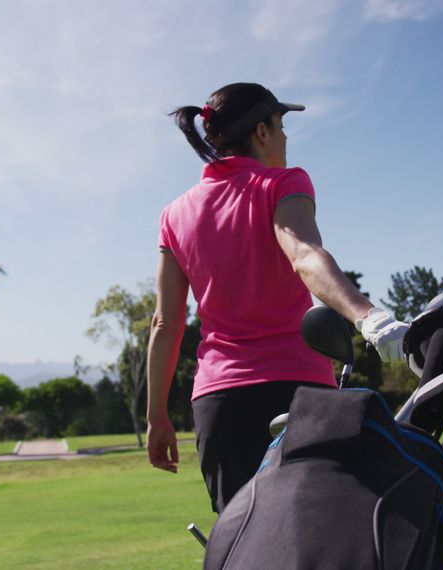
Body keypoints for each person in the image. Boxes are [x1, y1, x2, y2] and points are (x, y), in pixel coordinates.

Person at [145, 82, 409, 513]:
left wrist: (156, 417)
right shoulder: (284, 182)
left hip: (220, 404)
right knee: (320, 539)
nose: (285, 138)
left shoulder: (173, 215)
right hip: (298, 393)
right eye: (282, 125)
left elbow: (165, 322)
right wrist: (371, 319)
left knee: (243, 544)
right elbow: (304, 255)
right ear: (262, 131)